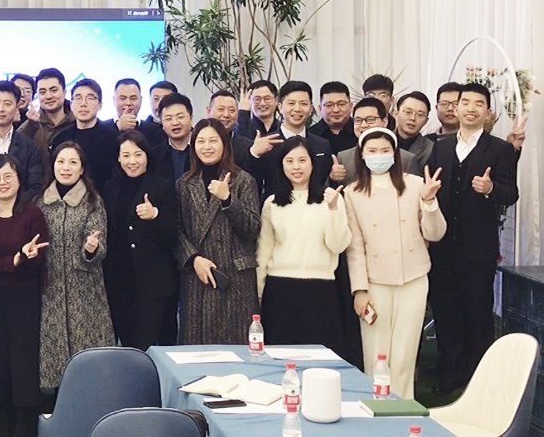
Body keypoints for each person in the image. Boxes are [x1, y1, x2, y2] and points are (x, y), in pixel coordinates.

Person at [428, 83, 520, 392]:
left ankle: (478, 375)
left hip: (478, 247)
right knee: (445, 308)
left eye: (478, 103)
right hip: (442, 245)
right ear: (455, 108)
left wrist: (491, 189)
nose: (470, 108)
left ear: (487, 112)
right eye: (464, 102)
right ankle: (450, 371)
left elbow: (511, 193)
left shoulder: (500, 149)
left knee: (478, 311)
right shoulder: (440, 147)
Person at [345, 128, 446, 400]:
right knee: (376, 352)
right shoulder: (352, 192)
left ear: (395, 154)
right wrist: (360, 289)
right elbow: (355, 246)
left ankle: (403, 406)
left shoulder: (415, 185)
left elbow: (435, 233)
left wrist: (429, 202)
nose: (378, 156)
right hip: (375, 281)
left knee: (404, 352)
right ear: (362, 155)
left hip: (413, 277)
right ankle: (376, 405)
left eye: (385, 150)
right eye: (372, 151)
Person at [0, 154, 49, 437]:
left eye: (8, 176)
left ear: (19, 180)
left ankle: (24, 426)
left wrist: (28, 257)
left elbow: (40, 259)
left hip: (23, 301)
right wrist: (12, 261)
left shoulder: (33, 214)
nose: (2, 183)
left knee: (23, 361)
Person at [256, 136, 352, 351]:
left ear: (313, 163)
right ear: (281, 165)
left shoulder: (331, 198)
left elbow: (338, 245)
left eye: (302, 160)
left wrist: (333, 210)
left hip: (320, 289)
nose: (296, 167)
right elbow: (264, 250)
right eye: (289, 161)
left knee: (320, 358)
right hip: (279, 289)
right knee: (280, 356)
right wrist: (259, 291)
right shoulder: (272, 203)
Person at [175, 119, 261, 344]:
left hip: (234, 278)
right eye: (201, 141)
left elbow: (252, 228)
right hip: (198, 276)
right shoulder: (184, 183)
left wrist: (228, 200)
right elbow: (177, 230)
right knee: (197, 348)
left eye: (213, 140)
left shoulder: (243, 180)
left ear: (224, 144)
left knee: (236, 348)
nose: (207, 146)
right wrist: (193, 258)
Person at [36, 142, 115, 389]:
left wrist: (91, 248)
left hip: (85, 289)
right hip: (51, 288)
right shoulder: (41, 202)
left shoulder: (93, 201)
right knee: (54, 353)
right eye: (61, 162)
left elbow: (100, 245)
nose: (66, 168)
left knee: (90, 354)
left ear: (82, 168)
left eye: (73, 162)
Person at [101, 130, 179, 349]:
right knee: (127, 345)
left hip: (153, 281)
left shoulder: (162, 185)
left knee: (149, 344)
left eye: (138, 154)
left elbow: (173, 234)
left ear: (147, 155)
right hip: (119, 280)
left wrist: (155, 216)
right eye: (126, 155)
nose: (132, 161)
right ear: (118, 158)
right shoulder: (110, 187)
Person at [262, 81, 334, 194]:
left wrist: (333, 177)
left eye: (303, 104)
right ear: (280, 107)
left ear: (311, 109)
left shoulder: (322, 145)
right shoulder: (266, 143)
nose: (297, 109)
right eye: (291, 103)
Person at [330, 98, 422, 184]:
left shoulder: (406, 159)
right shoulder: (344, 157)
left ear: (385, 122)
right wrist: (333, 178)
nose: (363, 125)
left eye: (370, 120)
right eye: (358, 120)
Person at [50, 79, 119, 192]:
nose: (83, 103)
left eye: (90, 98)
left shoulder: (113, 137)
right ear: (71, 104)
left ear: (100, 105)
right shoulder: (60, 139)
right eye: (78, 98)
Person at [20, 68, 74, 165]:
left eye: (54, 90)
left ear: (64, 92)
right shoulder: (31, 125)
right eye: (42, 92)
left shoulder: (78, 123)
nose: (48, 96)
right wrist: (30, 127)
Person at [310, 81, 357, 154]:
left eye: (341, 104)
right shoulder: (310, 135)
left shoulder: (360, 131)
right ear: (320, 108)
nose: (336, 110)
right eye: (329, 105)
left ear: (351, 106)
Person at [114, 78, 165, 145]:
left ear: (141, 100)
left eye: (133, 98)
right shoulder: (103, 128)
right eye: (122, 98)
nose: (128, 103)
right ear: (114, 100)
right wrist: (117, 127)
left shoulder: (154, 130)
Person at [395, 92, 435, 166]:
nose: (413, 118)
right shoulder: (382, 139)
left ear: (426, 121)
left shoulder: (431, 149)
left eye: (420, 115)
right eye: (408, 112)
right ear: (396, 113)